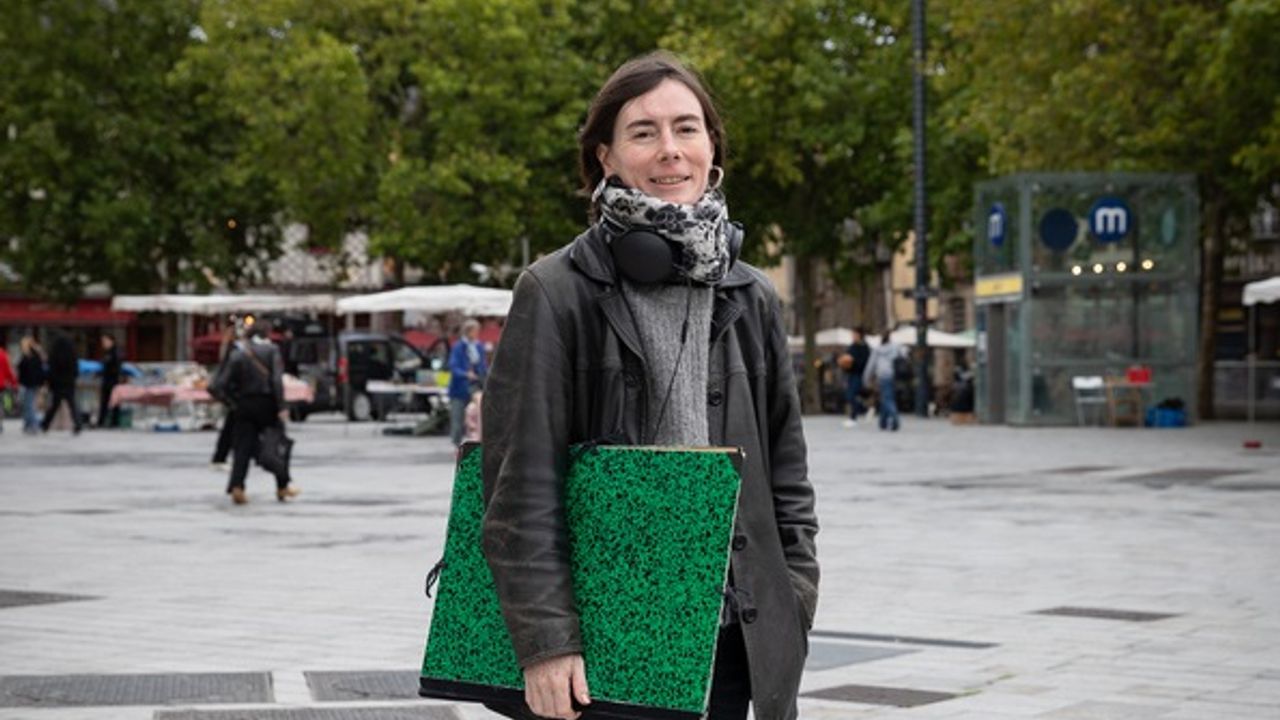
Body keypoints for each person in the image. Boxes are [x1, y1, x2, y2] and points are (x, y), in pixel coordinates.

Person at [481, 52, 817, 720]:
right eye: (644, 132)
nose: (671, 151)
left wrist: (795, 593)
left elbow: (788, 471)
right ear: (606, 156)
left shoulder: (752, 295)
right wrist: (547, 641)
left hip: (728, 641)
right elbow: (520, 485)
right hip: (601, 643)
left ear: (712, 145)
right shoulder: (555, 293)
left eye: (687, 129)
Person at [210, 324, 298, 505]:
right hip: (267, 404)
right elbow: (276, 380)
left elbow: (218, 386)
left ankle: (237, 487)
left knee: (242, 448)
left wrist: (232, 403)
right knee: (277, 444)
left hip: (244, 405)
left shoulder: (238, 354)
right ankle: (283, 486)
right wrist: (281, 405)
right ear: (266, 334)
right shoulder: (272, 351)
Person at [447, 319, 486, 447]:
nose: (477, 333)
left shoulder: (478, 346)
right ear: (468, 331)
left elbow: (482, 365)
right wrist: (465, 374)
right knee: (457, 417)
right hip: (460, 387)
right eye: (475, 331)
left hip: (475, 385)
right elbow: (453, 366)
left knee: (476, 415)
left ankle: (475, 441)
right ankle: (456, 443)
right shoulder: (459, 346)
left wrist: (482, 375)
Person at [210, 324, 241, 470]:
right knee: (232, 427)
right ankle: (223, 456)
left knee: (231, 426)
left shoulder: (229, 348)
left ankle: (221, 456)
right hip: (234, 393)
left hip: (230, 393)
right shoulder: (235, 350)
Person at [41, 330, 82, 434]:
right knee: (72, 404)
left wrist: (50, 382)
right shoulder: (72, 353)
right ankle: (77, 424)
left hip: (57, 383)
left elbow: (51, 370)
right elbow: (75, 369)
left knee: (54, 405)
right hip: (69, 382)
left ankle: (45, 424)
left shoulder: (54, 354)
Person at [863, 330, 904, 431]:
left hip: (882, 375)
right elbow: (905, 354)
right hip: (894, 376)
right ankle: (883, 422)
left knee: (887, 399)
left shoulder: (877, 350)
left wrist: (866, 378)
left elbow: (870, 365)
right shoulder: (896, 347)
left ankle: (894, 419)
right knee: (887, 397)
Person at [842, 326, 871, 427]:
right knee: (850, 395)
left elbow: (865, 362)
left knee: (851, 395)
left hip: (858, 374)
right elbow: (846, 356)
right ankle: (865, 410)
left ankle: (854, 417)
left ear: (859, 335)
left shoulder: (864, 347)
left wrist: (853, 362)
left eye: (854, 334)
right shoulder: (852, 346)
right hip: (850, 373)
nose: (852, 336)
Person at [17, 336, 46, 434]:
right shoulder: (35, 355)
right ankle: (27, 423)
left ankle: (34, 424)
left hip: (29, 383)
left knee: (29, 405)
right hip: (31, 383)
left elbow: (26, 370)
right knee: (27, 404)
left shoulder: (30, 356)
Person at [97, 333, 122, 428]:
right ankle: (103, 421)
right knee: (105, 401)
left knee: (113, 401)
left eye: (105, 341)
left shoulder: (115, 353)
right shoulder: (108, 353)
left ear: (111, 341)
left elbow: (115, 368)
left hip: (112, 381)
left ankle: (113, 422)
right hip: (107, 380)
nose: (103, 343)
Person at [0, 343, 17, 434]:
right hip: (1, 384)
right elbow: (8, 371)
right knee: (1, 405)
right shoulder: (3, 355)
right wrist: (14, 383)